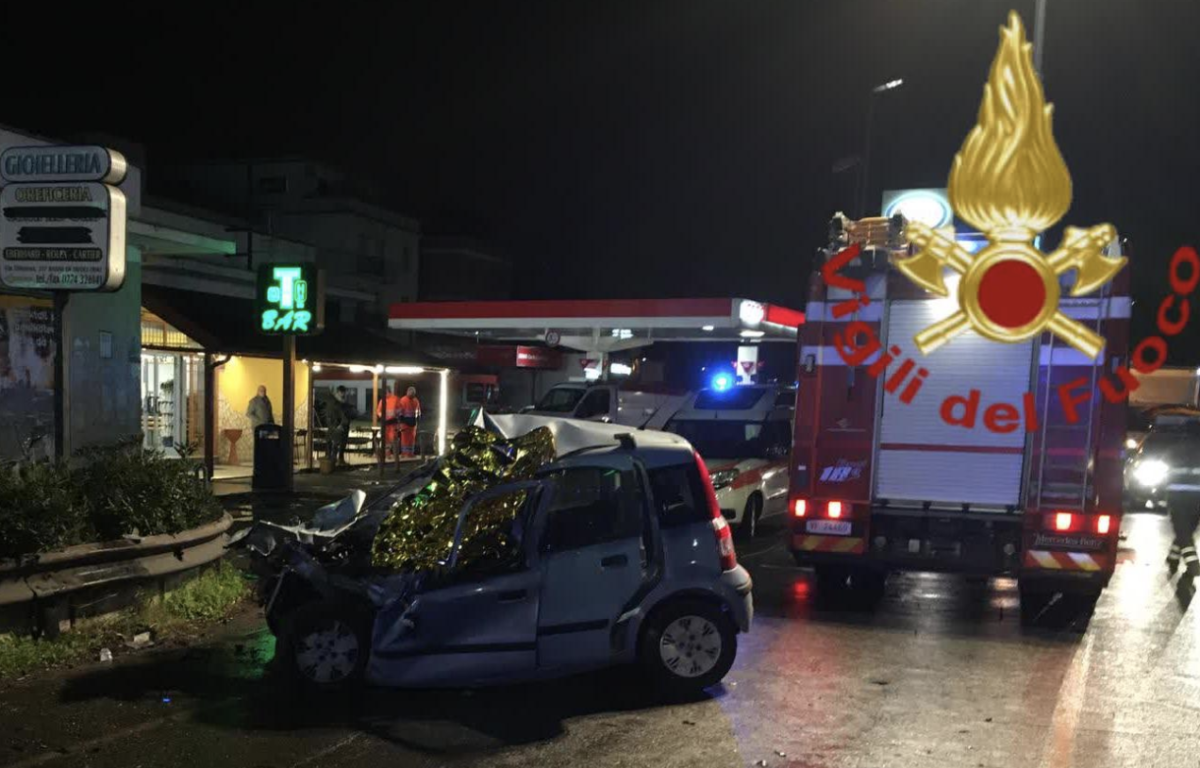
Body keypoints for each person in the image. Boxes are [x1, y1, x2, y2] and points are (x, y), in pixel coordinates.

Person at [1165, 422, 1200, 577]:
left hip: (1177, 500)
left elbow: (1166, 474)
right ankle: (1173, 559)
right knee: (1187, 531)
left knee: (1183, 532)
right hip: (1196, 501)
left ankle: (1192, 564)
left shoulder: (1174, 451)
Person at [376, 383, 403, 459]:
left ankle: (394, 454)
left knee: (393, 438)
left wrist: (395, 414)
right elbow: (378, 411)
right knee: (386, 439)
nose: (385, 394)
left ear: (389, 391)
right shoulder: (382, 401)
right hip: (385, 422)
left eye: (386, 392)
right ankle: (387, 454)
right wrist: (382, 415)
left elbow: (400, 409)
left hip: (393, 422)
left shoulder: (395, 399)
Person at [398, 386, 422, 458]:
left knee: (410, 440)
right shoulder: (404, 400)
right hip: (406, 423)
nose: (412, 395)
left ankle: (409, 453)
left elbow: (418, 413)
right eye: (411, 394)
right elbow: (400, 413)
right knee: (406, 440)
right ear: (407, 392)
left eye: (413, 394)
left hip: (410, 424)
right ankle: (406, 453)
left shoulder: (414, 401)